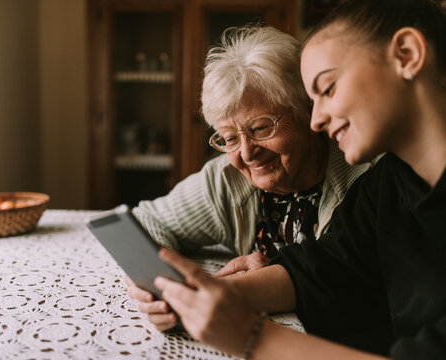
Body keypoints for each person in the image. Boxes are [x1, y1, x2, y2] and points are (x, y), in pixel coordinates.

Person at [152, 0, 446, 358]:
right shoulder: (389, 183)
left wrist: (251, 337)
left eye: (328, 88)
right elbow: (325, 265)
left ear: (407, 54)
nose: (317, 119)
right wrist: (214, 294)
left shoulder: (373, 175)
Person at [126, 26, 376, 331]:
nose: (246, 153)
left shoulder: (366, 180)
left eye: (260, 129)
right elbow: (146, 223)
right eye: (229, 138)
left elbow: (362, 289)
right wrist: (156, 283)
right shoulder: (228, 180)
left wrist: (269, 280)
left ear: (306, 111)